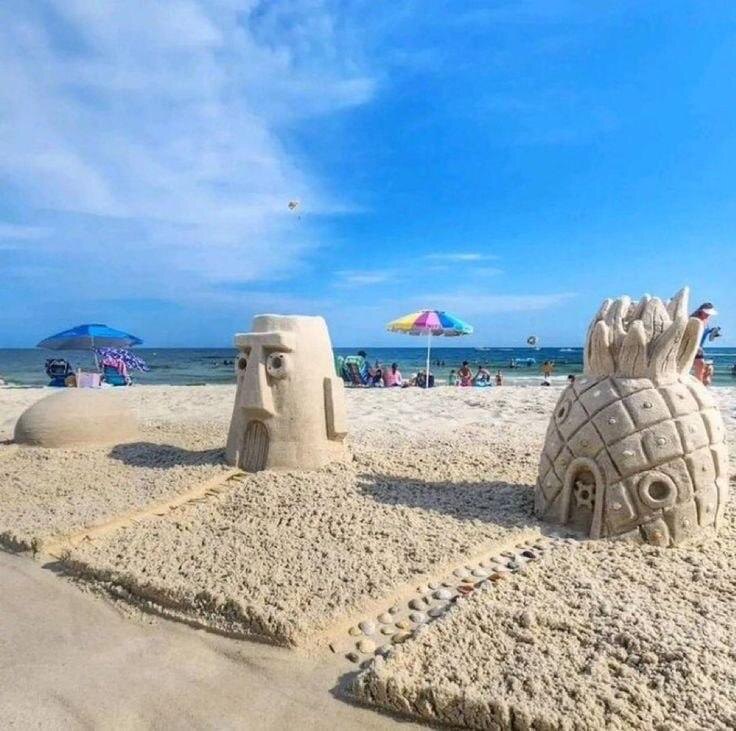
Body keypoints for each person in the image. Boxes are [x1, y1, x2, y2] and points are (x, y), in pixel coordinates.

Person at [691, 302, 718, 384]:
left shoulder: (706, 321)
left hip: (699, 348)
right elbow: (690, 334)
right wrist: (696, 346)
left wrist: (713, 331)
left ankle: (700, 383)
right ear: (701, 311)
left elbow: (706, 334)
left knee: (707, 368)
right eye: (707, 313)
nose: (708, 315)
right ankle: (698, 384)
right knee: (700, 364)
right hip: (692, 346)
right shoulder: (694, 320)